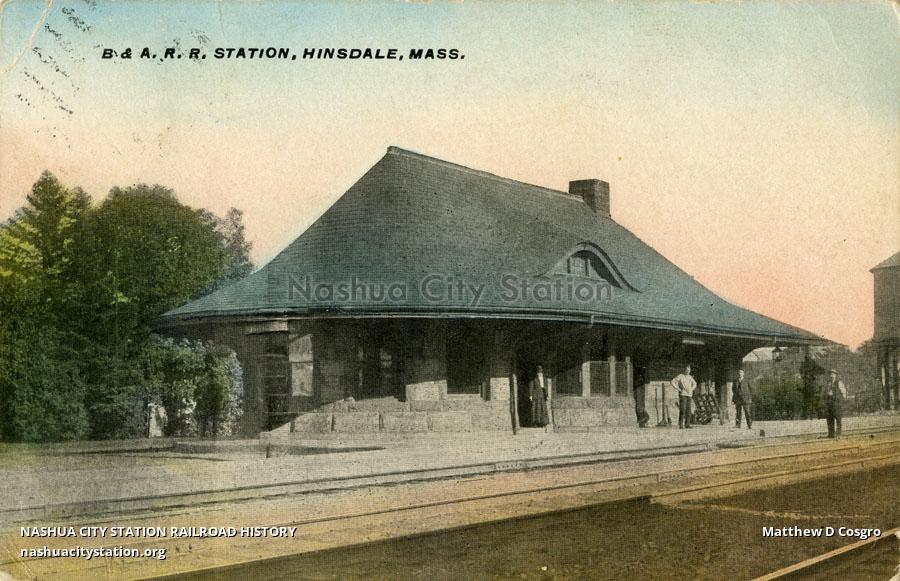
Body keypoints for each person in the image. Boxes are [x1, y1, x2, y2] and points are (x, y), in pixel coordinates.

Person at [821, 369, 847, 438]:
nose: (831, 375)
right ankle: (831, 434)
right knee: (829, 419)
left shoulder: (839, 382)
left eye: (833, 374)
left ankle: (838, 434)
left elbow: (844, 392)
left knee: (838, 418)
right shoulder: (828, 383)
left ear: (835, 375)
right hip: (829, 403)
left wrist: (842, 400)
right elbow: (825, 391)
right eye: (830, 374)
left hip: (837, 403)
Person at [633, 362, 650, 428]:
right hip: (638, 385)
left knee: (640, 403)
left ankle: (642, 420)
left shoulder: (639, 372)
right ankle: (642, 420)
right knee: (639, 404)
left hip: (639, 384)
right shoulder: (636, 372)